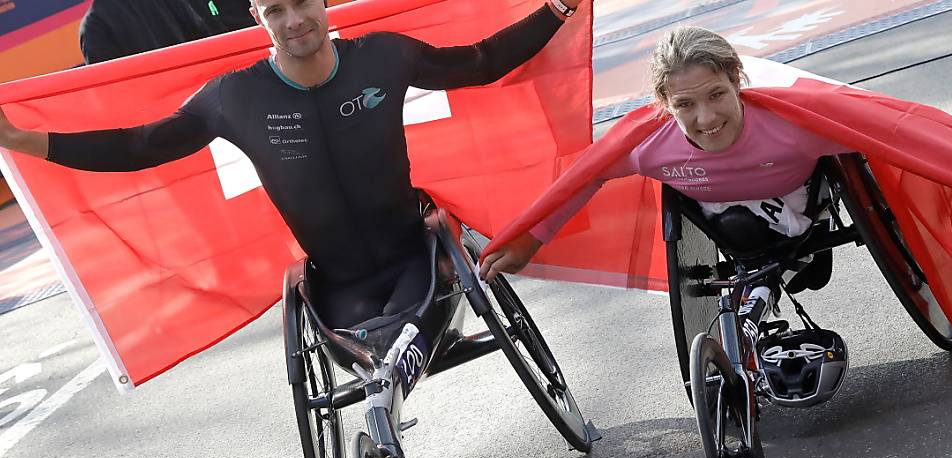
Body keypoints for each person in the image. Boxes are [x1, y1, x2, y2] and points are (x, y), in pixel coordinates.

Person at [2, 0, 582, 335]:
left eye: (301, 2)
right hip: (336, 286)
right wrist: (22, 140)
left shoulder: (382, 55)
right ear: (257, 17)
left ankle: (388, 392)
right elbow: (138, 147)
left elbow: (482, 63)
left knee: (403, 336)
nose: (293, 19)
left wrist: (556, 8)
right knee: (374, 345)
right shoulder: (232, 98)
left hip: (416, 256)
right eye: (275, 9)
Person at [478, 26, 952, 282]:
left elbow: (904, 134)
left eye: (716, 95)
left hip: (795, 193)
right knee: (738, 230)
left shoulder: (797, 125)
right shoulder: (647, 146)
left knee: (781, 227)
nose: (706, 118)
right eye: (686, 104)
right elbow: (581, 181)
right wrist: (530, 240)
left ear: (737, 82)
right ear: (664, 105)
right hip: (719, 215)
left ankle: (803, 249)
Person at [79, 0, 215, 64]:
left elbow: (108, 91)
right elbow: (204, 38)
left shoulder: (94, 25)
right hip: (199, 103)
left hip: (153, 115)